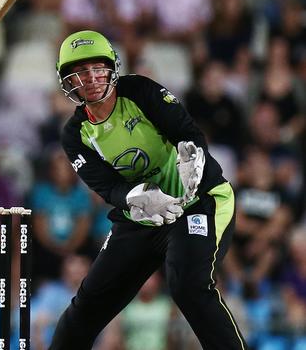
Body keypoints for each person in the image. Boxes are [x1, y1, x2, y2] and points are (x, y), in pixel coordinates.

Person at [48, 30, 248, 349]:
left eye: (97, 68)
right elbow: (108, 187)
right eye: (81, 72)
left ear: (112, 67)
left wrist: (191, 156)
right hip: (141, 216)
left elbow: (188, 132)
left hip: (197, 202)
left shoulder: (139, 90)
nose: (91, 78)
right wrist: (134, 197)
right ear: (68, 81)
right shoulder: (75, 135)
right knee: (88, 304)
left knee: (188, 287)